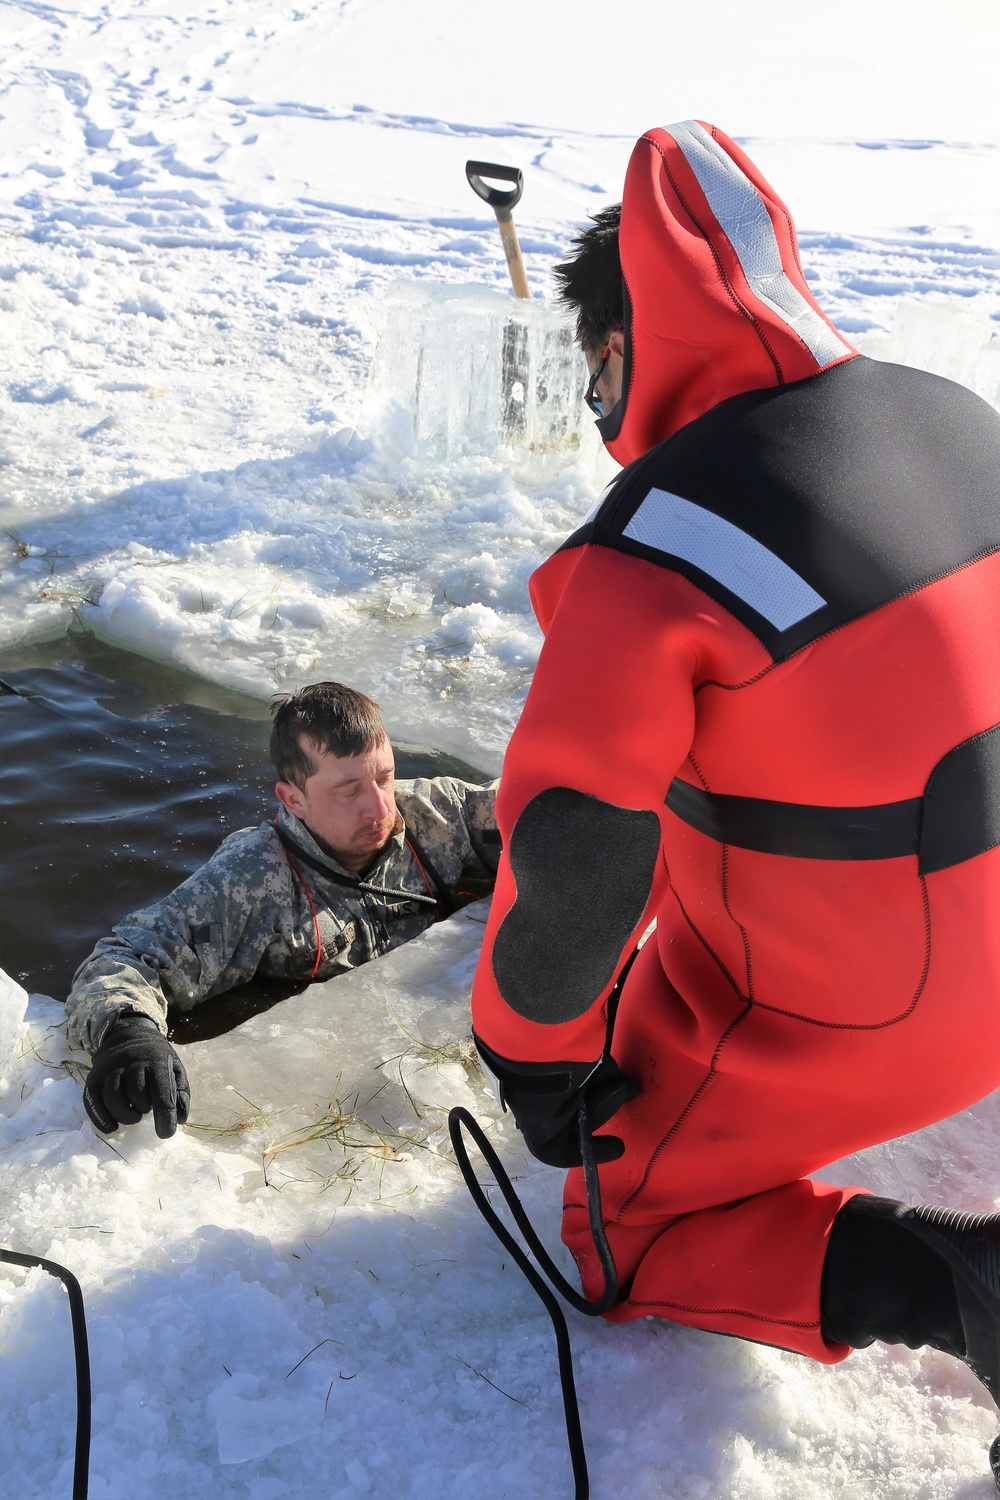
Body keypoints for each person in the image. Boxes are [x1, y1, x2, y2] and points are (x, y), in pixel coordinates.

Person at [470, 117, 1000, 1443]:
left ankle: (957, 1284)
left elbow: (584, 851)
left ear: (620, 348)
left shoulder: (656, 540)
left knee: (618, 1229)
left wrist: (532, 1056)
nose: (600, 418)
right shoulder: (958, 414)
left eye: (598, 383)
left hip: (868, 1011)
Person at [68, 681, 499, 1141]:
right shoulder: (251, 879)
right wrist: (128, 1033)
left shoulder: (435, 810)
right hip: (342, 1095)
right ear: (293, 799)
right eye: (349, 790)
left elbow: (531, 805)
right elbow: (124, 959)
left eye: (384, 777)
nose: (379, 807)